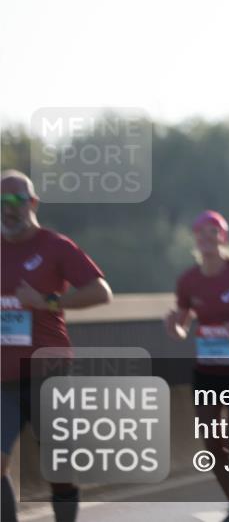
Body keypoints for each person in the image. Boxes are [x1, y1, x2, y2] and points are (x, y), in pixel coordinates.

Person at [1, 170, 113, 522]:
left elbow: (100, 292)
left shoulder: (55, 246)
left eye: (17, 201)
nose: (9, 209)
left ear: (32, 203)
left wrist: (46, 301)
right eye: (2, 202)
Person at [164, 210, 229, 522]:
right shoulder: (188, 280)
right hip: (208, 369)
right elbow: (182, 327)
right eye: (201, 234)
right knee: (212, 440)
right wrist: (174, 328)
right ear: (195, 240)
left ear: (223, 238)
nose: (207, 239)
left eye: (214, 233)